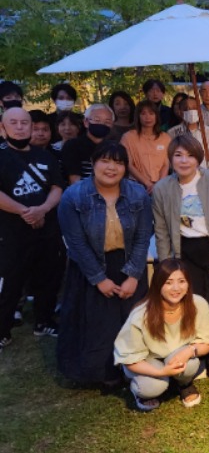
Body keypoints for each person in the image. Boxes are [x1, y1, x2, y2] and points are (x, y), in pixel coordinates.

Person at [57, 142, 152, 385]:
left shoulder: (138, 194)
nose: (111, 168)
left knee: (132, 320)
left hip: (128, 262)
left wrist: (134, 275)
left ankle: (135, 368)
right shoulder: (73, 196)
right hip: (90, 265)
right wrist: (99, 279)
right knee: (97, 324)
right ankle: (100, 373)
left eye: (118, 163)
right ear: (93, 163)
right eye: (105, 161)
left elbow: (143, 236)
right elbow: (76, 243)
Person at [0, 108, 65, 351]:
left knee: (49, 278)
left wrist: (43, 209)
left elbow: (57, 187)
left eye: (24, 123)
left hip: (47, 229)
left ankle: (44, 321)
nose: (20, 127)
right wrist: (24, 212)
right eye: (13, 123)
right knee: (11, 283)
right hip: (13, 233)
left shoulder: (44, 156)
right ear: (3, 128)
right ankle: (3, 330)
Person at [114, 258, 209, 411]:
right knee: (151, 387)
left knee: (190, 363)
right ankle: (142, 391)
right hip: (146, 360)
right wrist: (161, 372)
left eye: (181, 281)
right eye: (168, 282)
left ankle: (184, 384)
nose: (176, 288)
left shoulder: (198, 303)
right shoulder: (140, 314)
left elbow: (208, 341)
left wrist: (190, 351)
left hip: (177, 354)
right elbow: (130, 359)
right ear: (158, 284)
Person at [152, 135, 209, 317]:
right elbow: (161, 230)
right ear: (171, 158)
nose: (184, 161)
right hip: (185, 251)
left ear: (198, 158)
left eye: (190, 155)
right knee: (193, 303)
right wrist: (167, 263)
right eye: (178, 155)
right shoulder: (162, 188)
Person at [120, 100, 171, 194]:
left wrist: (159, 185)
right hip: (135, 185)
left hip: (161, 186)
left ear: (156, 116)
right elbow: (128, 164)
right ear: (138, 116)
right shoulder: (128, 137)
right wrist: (148, 184)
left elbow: (166, 164)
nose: (148, 117)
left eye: (151, 113)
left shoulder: (165, 138)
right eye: (143, 114)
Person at [61, 103, 115, 184]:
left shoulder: (114, 147)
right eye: (97, 120)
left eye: (107, 122)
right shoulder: (72, 146)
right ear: (86, 122)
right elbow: (75, 182)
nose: (102, 124)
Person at [168, 97, 209, 169]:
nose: (191, 111)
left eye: (194, 108)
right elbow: (170, 156)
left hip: (204, 172)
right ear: (180, 112)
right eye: (186, 109)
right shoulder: (172, 133)